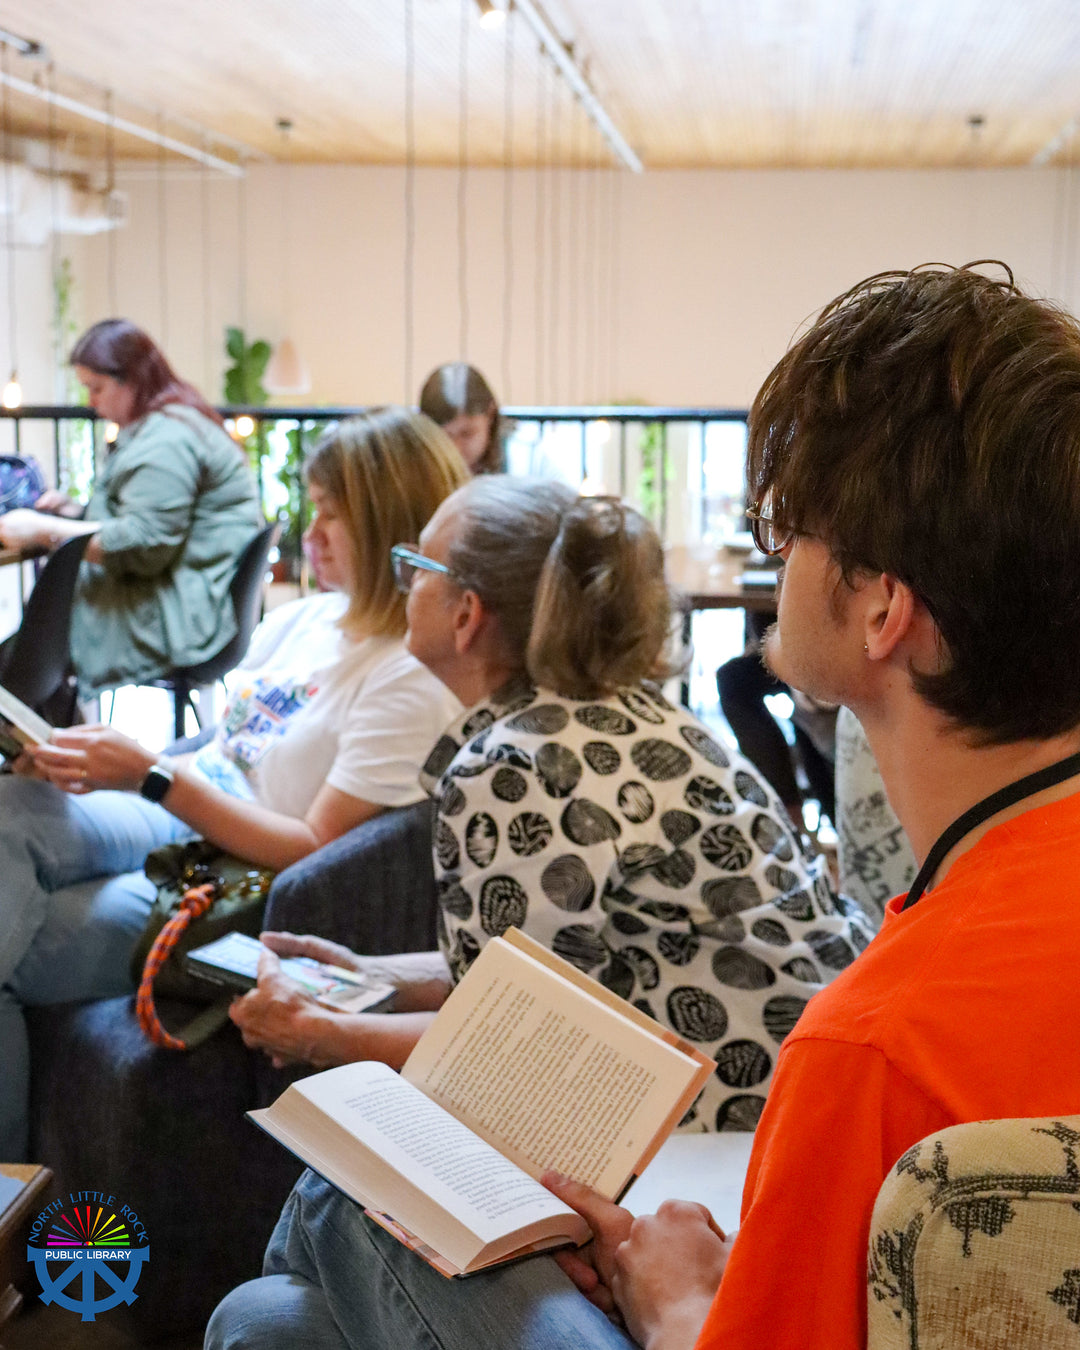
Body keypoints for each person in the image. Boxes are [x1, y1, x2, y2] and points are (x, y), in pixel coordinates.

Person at [206, 262, 1080, 1350]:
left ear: (882, 609)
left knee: (339, 1208)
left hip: (720, 1154)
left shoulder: (871, 1050)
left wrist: (675, 1295)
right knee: (269, 1326)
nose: (772, 560)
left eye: (791, 531)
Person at [228, 476, 871, 1124]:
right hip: (811, 1090)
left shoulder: (511, 768)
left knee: (339, 1188)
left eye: (417, 566)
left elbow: (519, 1048)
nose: (404, 584)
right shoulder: (625, 716)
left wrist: (320, 1035)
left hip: (729, 1129)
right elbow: (556, 969)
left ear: (466, 614)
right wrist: (378, 978)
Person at [0, 407, 468, 1160]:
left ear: (388, 528)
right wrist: (96, 760)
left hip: (229, 863)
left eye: (330, 516)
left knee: (18, 932)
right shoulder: (311, 618)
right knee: (12, 803)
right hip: (184, 807)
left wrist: (149, 777)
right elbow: (221, 744)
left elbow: (311, 847)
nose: (307, 531)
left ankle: (9, 1211)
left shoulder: (404, 678)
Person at [0, 318, 261, 699]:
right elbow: (149, 520)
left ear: (133, 380)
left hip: (177, 621)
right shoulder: (172, 424)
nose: (91, 401)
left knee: (21, 661)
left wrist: (41, 529)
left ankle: (50, 744)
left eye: (97, 388)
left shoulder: (166, 440)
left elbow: (144, 545)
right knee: (30, 650)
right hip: (198, 609)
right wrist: (75, 513)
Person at [419, 361, 504, 473]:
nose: (456, 449)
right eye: (445, 437)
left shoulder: (519, 462)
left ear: (490, 416)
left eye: (467, 434)